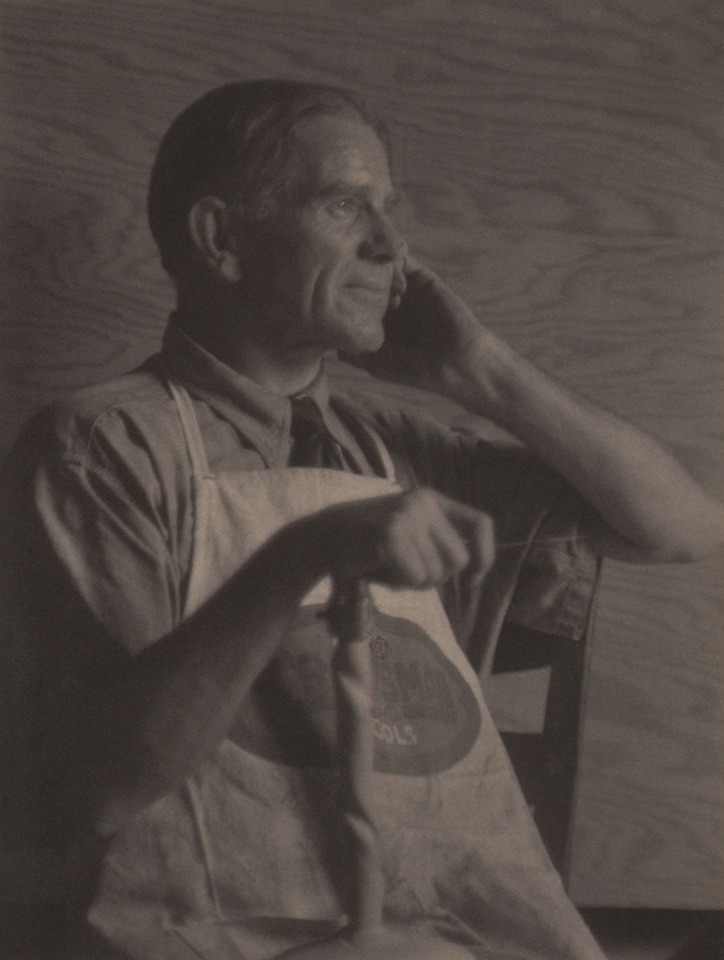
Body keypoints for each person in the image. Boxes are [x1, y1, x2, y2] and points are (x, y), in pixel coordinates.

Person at [2, 79, 723, 960]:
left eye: (389, 210)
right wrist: (305, 552)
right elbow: (96, 788)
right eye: (347, 207)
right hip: (215, 937)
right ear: (221, 239)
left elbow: (684, 529)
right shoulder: (103, 448)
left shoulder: (391, 447)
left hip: (452, 935)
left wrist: (480, 371)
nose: (393, 246)